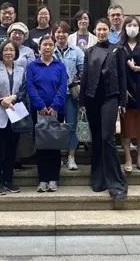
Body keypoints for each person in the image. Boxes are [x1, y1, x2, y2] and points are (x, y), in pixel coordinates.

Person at [79, 18, 128, 201]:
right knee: (97, 139)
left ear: (109, 30)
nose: (101, 32)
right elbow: (85, 77)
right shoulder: (89, 51)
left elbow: (122, 76)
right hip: (92, 99)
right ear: (95, 31)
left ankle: (115, 182)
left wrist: (123, 101)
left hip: (110, 97)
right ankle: (98, 178)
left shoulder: (117, 49)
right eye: (99, 29)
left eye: (104, 29)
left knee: (107, 137)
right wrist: (82, 102)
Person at [27, 35, 68, 193]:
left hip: (56, 111)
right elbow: (30, 87)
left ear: (54, 47)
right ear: (40, 47)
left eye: (50, 45)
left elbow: (62, 87)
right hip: (39, 111)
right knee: (42, 146)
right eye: (45, 44)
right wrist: (41, 106)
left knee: (54, 146)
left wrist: (55, 106)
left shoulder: (60, 66)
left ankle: (53, 179)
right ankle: (42, 179)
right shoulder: (32, 66)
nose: (47, 47)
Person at [0, 40, 27, 195]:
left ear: (16, 53)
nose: (8, 53)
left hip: (15, 113)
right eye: (5, 50)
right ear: (1, 53)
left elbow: (23, 91)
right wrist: (2, 100)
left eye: (11, 50)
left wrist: (14, 98)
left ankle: (8, 180)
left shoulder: (21, 70)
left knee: (11, 149)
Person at [119, 16, 140, 173]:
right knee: (127, 128)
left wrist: (137, 68)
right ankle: (127, 158)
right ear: (124, 28)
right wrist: (122, 89)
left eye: (135, 25)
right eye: (129, 25)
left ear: (139, 28)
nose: (132, 28)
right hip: (125, 90)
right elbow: (117, 69)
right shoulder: (120, 47)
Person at [52, 21, 85, 170]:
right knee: (56, 127)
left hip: (71, 95)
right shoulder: (49, 50)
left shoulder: (77, 51)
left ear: (68, 34)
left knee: (72, 126)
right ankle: (57, 156)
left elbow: (83, 71)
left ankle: (71, 156)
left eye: (64, 32)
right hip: (54, 96)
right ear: (54, 34)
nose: (61, 35)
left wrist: (77, 82)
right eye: (58, 32)